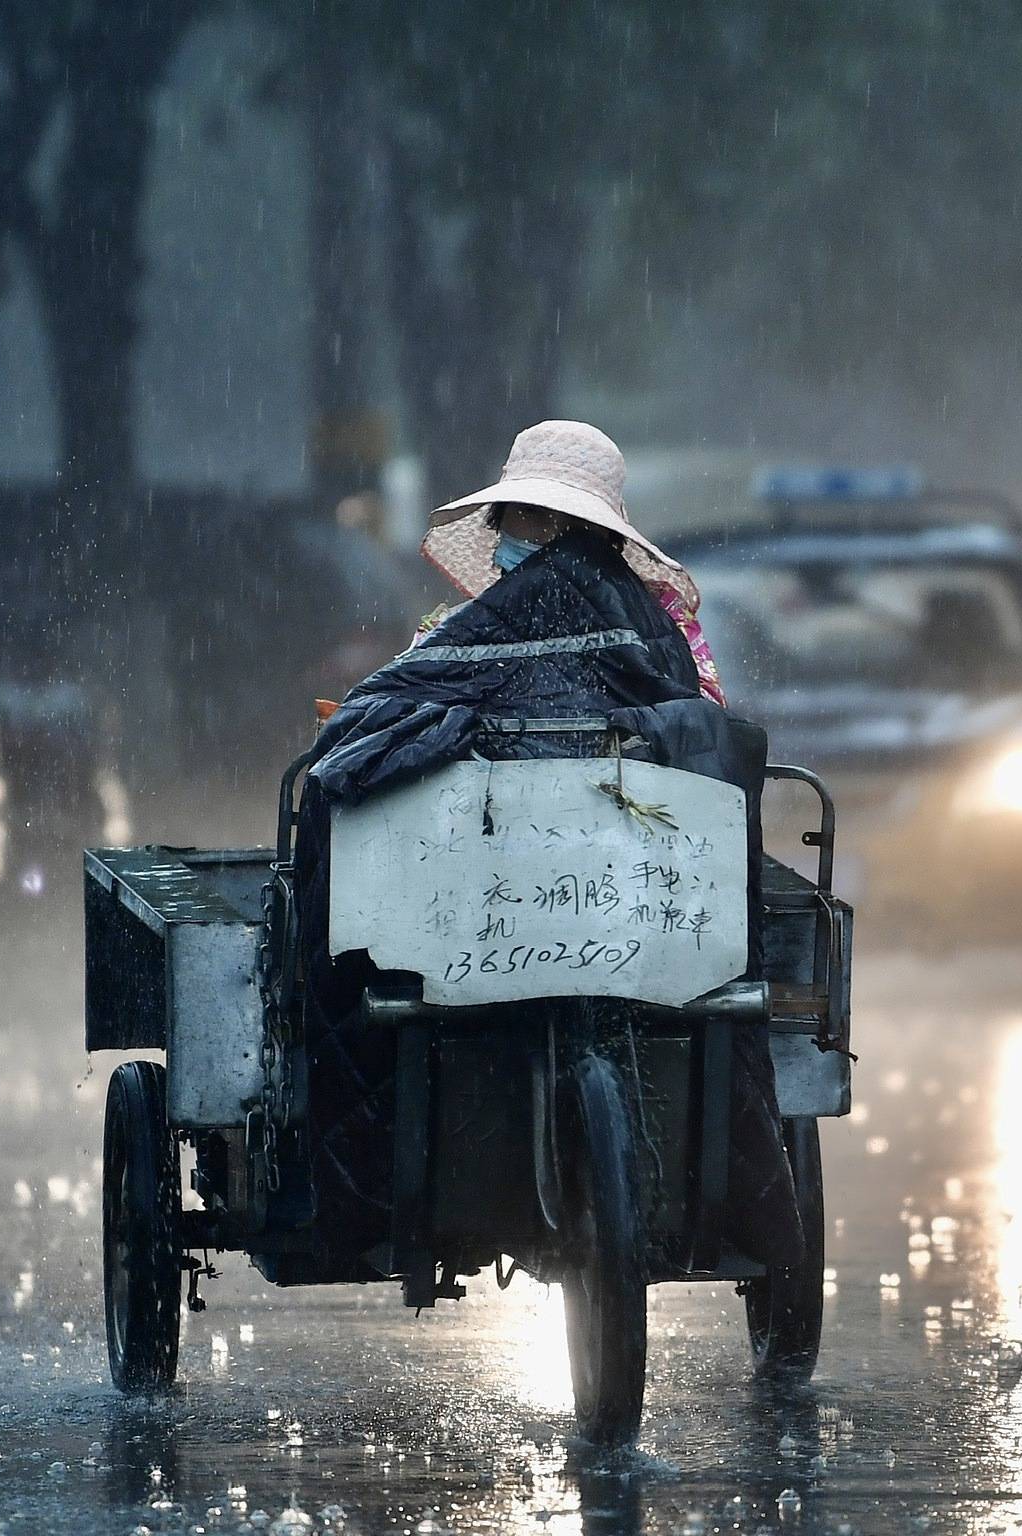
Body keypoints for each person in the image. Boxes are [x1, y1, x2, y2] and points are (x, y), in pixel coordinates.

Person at [296, 420, 802, 1270]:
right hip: (621, 903)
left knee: (329, 798)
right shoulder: (652, 630)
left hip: (502, 904)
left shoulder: (496, 623)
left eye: (518, 521)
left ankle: (361, 1176)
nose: (505, 542)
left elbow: (369, 717)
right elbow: (695, 724)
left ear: (554, 526)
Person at [415, 420, 726, 705]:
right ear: (500, 519)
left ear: (606, 538)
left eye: (577, 522)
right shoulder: (446, 634)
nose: (553, 536)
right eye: (532, 512)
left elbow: (702, 727)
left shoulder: (663, 620)